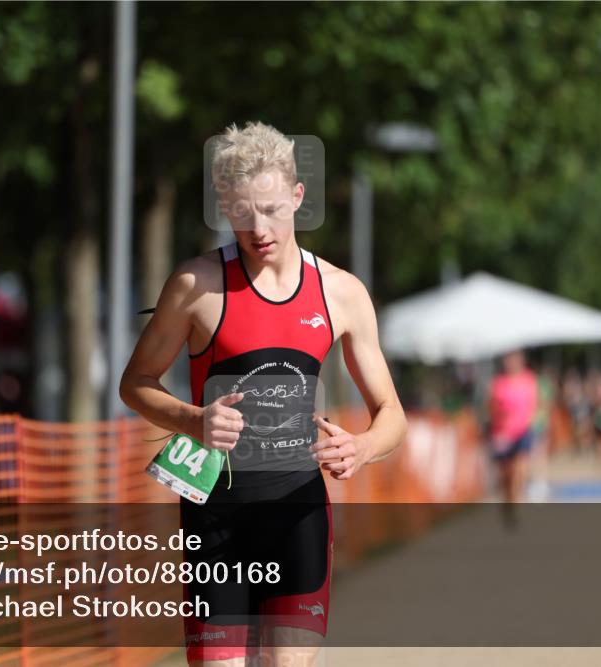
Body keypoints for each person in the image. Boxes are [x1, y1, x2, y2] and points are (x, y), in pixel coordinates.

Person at [119, 121, 406, 667]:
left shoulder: (342, 293)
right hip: (216, 518)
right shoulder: (195, 286)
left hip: (297, 514)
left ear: (298, 197)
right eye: (243, 212)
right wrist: (192, 419)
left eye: (272, 209)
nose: (259, 227)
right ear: (224, 205)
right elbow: (134, 383)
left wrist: (363, 447)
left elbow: (391, 412)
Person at [487, 350, 537, 505]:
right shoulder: (499, 383)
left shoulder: (528, 379)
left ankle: (517, 500)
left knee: (520, 470)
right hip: (502, 434)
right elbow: (491, 408)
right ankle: (509, 501)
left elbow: (533, 405)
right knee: (505, 476)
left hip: (522, 431)